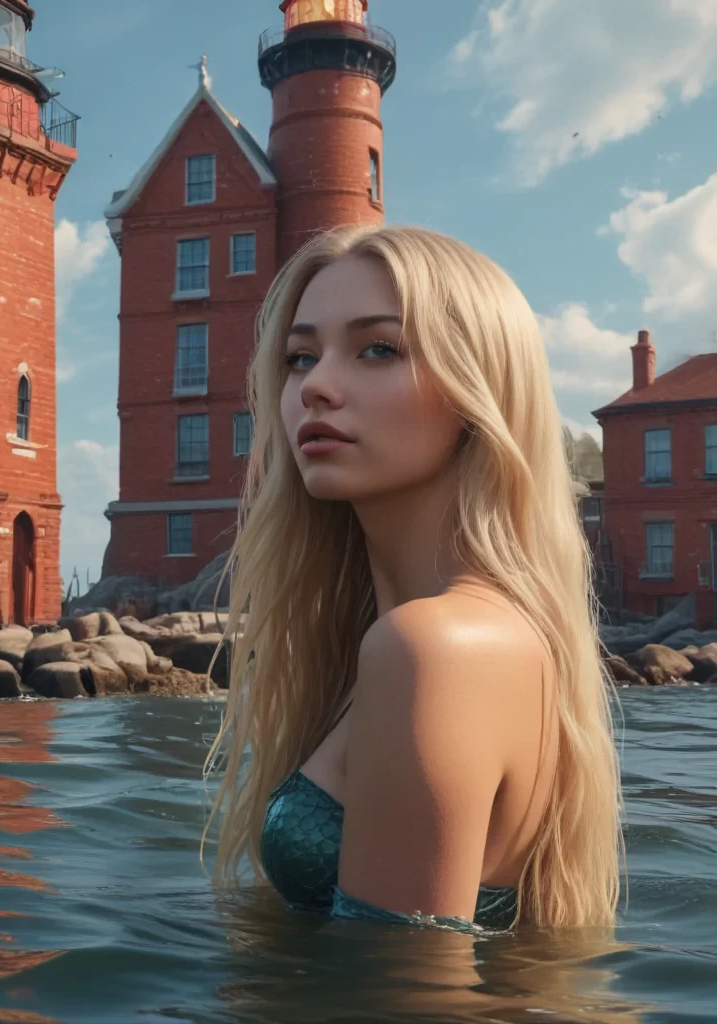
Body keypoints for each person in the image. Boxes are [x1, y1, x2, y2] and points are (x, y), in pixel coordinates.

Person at [202, 224, 622, 929]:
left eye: (378, 349)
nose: (316, 388)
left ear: (477, 392)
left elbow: (397, 995)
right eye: (300, 357)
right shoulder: (430, 637)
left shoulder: (436, 647)